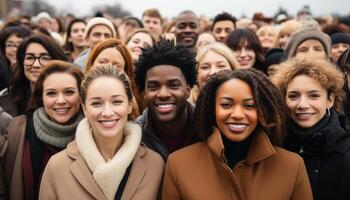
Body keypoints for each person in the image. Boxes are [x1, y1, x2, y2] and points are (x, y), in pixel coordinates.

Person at [162, 69, 313, 199]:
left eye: (249, 106)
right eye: (226, 105)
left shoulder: (292, 166)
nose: (238, 114)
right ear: (212, 109)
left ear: (263, 110)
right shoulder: (178, 164)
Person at [39, 65, 164, 200]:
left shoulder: (155, 165)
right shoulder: (57, 166)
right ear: (84, 108)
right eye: (96, 103)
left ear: (129, 105)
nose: (107, 113)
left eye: (116, 102)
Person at [4, 60, 84, 200]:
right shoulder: (16, 133)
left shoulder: (96, 134)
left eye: (69, 92)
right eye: (51, 93)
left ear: (82, 95)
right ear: (41, 97)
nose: (60, 100)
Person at [273, 59, 350, 199]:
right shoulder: (272, 146)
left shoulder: (346, 152)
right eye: (293, 96)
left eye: (313, 95)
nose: (302, 104)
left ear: (330, 100)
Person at [135, 39, 198, 160]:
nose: (163, 94)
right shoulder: (134, 137)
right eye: (153, 87)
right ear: (144, 93)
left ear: (188, 89)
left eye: (173, 85)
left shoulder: (208, 131)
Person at [0, 34, 68, 117]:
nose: (36, 64)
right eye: (30, 58)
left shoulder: (67, 100)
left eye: (45, 58)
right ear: (22, 62)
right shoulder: (6, 99)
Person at [84, 38, 141, 116]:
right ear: (91, 64)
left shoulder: (133, 102)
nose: (109, 68)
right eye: (102, 62)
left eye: (117, 66)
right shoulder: (76, 94)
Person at [0, 26, 32, 90]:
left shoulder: (32, 71)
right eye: (9, 45)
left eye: (19, 44)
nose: (14, 49)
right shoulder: (2, 70)